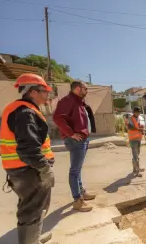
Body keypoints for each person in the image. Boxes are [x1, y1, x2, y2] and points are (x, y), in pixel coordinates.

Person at [0, 73, 55, 243]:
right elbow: (28, 149)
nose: (47, 95)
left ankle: (33, 238)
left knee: (29, 206)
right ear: (32, 92)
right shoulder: (25, 112)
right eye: (44, 91)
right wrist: (45, 169)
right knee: (32, 209)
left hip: (22, 169)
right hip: (29, 170)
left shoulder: (20, 110)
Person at [53, 81, 96, 212]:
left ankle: (81, 192)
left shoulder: (78, 101)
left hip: (82, 139)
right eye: (85, 89)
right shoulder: (68, 100)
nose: (87, 91)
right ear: (78, 89)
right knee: (75, 171)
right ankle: (77, 200)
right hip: (76, 141)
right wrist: (71, 134)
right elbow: (57, 118)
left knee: (77, 169)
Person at [126, 106, 144, 177]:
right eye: (137, 112)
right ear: (134, 112)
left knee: (137, 154)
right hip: (133, 139)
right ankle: (137, 171)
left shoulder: (138, 118)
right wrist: (138, 129)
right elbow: (129, 127)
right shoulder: (130, 118)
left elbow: (138, 126)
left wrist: (141, 127)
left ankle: (135, 168)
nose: (139, 113)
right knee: (135, 155)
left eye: (139, 112)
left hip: (138, 138)